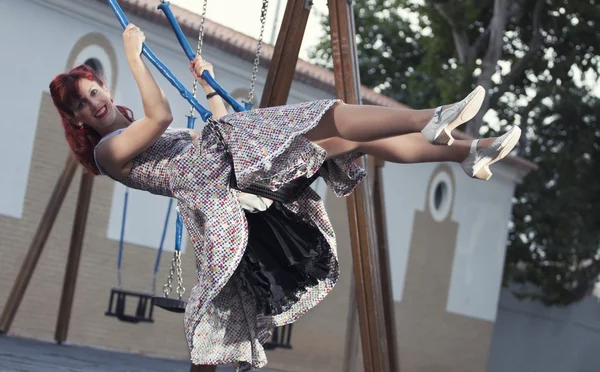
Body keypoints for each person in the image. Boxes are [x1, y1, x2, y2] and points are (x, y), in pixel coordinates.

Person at [49, 24, 520, 372]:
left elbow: (199, 135)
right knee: (331, 118)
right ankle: (431, 119)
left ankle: (465, 150)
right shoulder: (111, 151)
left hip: (234, 170)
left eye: (94, 92)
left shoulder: (129, 129)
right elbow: (161, 117)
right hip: (223, 189)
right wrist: (135, 55)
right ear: (78, 121)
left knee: (347, 136)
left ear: (103, 88)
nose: (95, 104)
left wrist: (211, 84)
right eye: (83, 105)